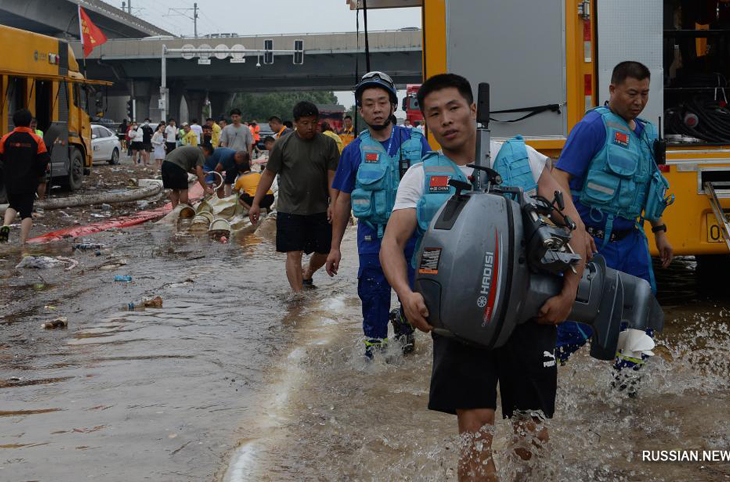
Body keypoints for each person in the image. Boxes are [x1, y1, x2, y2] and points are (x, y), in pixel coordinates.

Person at [379, 74, 588, 479]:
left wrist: (568, 294)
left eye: (454, 108)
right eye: (434, 114)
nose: (446, 120)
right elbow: (391, 242)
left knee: (532, 438)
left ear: (473, 110)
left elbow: (573, 226)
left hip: (530, 316)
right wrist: (405, 295)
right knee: (474, 441)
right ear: (426, 123)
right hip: (459, 324)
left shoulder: (521, 157)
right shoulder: (420, 176)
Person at [551, 61, 674, 379]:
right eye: (632, 93)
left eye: (645, 93)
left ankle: (626, 388)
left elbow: (650, 187)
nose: (639, 100)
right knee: (575, 322)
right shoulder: (594, 126)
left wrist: (659, 231)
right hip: (593, 240)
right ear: (613, 89)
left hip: (631, 243)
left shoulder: (646, 134)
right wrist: (574, 228)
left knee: (641, 316)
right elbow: (559, 179)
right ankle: (539, 384)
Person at [326, 71, 432, 359]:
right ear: (360, 110)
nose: (376, 109)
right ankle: (374, 352)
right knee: (373, 294)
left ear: (393, 105)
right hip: (373, 236)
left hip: (413, 238)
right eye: (369, 104)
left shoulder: (417, 143)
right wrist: (335, 247)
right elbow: (343, 199)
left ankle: (403, 322)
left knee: (416, 296)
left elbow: (437, 189)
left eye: (382, 102)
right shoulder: (354, 151)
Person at [248, 101, 340, 292]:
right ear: (296, 122)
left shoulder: (328, 144)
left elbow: (332, 176)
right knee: (293, 253)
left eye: (314, 123)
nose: (310, 128)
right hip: (290, 208)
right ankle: (297, 296)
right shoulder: (283, 144)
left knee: (324, 251)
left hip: (319, 208)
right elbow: (268, 174)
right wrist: (255, 203)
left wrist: (333, 202)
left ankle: (309, 273)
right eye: (305, 123)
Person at [0, 109, 50, 245]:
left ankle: (5, 225)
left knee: (13, 204)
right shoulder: (37, 139)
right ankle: (22, 242)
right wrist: (39, 173)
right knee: (26, 212)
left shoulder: (6, 138)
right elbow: (43, 160)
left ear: (14, 122)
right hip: (29, 179)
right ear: (29, 122)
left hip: (10, 178)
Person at [161, 145, 214, 210]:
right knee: (184, 189)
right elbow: (200, 175)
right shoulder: (200, 153)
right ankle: (184, 210)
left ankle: (175, 211)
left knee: (175, 189)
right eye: (207, 156)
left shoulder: (193, 150)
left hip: (165, 164)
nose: (206, 158)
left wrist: (200, 172)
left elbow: (187, 168)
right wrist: (206, 188)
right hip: (176, 166)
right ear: (207, 151)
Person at [30, 118, 47, 200]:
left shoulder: (40, 133)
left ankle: (40, 199)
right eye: (32, 124)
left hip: (38, 159)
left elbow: (42, 147)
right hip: (30, 160)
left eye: (34, 124)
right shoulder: (26, 133)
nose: (33, 126)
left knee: (42, 180)